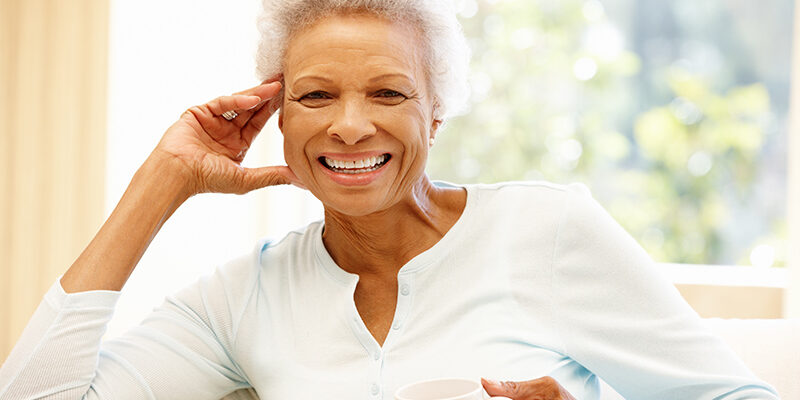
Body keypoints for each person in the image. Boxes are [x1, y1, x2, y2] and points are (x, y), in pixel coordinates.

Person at [0, 1, 781, 399]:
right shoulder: (243, 295)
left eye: (387, 92)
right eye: (314, 95)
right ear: (277, 116)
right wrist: (160, 182)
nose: (348, 125)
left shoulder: (548, 231)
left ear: (434, 114)